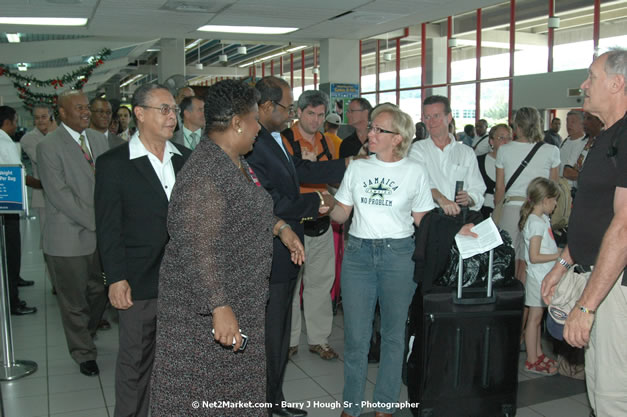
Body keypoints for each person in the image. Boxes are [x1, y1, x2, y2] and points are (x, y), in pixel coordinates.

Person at [150, 79, 305, 416]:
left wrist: (280, 229)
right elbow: (194, 246)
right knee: (203, 397)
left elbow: (247, 205)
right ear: (236, 123)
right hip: (204, 314)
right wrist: (219, 306)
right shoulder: (204, 174)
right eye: (253, 120)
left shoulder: (234, 161)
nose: (258, 129)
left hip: (240, 301)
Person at [245, 76, 348, 417]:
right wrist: (317, 203)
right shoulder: (252, 143)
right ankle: (268, 401)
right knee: (272, 331)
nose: (290, 115)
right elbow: (269, 200)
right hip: (271, 250)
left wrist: (345, 164)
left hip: (288, 247)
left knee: (276, 329)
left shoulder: (273, 138)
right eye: (287, 108)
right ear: (266, 107)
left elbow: (299, 171)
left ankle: (273, 398)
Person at [331, 104, 435, 417]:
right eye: (372, 128)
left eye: (379, 129)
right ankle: (351, 406)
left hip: (398, 256)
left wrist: (457, 231)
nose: (371, 133)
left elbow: (424, 222)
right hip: (358, 256)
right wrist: (323, 205)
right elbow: (341, 214)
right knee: (356, 338)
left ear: (398, 138)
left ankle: (385, 406)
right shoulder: (358, 168)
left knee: (393, 335)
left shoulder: (415, 171)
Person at [95, 83, 192, 417]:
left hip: (182, 283)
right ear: (139, 114)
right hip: (137, 282)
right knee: (135, 364)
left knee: (175, 366)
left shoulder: (186, 160)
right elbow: (108, 228)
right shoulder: (114, 164)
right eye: (163, 109)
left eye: (174, 110)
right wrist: (115, 278)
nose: (172, 116)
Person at [542, 49, 627, 417]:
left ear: (617, 82)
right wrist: (564, 261)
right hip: (597, 274)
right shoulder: (608, 137)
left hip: (615, 286)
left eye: (591, 76)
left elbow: (623, 227)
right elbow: (595, 215)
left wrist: (586, 306)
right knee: (600, 389)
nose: (583, 85)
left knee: (612, 396)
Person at [37, 90, 109, 376]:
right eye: (78, 108)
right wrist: (97, 220)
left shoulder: (97, 139)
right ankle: (83, 352)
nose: (85, 112)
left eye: (86, 107)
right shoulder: (48, 146)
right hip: (67, 238)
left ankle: (86, 334)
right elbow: (59, 194)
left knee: (100, 291)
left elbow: (108, 183)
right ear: (62, 113)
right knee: (73, 300)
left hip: (100, 236)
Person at [281, 90, 339, 361]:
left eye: (320, 115)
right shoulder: (283, 141)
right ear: (298, 112)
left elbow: (337, 180)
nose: (315, 121)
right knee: (291, 285)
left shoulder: (329, 143)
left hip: (322, 222)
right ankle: (289, 340)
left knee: (320, 283)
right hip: (293, 225)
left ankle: (319, 339)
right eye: (310, 114)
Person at [494, 106, 560, 262]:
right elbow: (553, 187)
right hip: (538, 209)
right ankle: (526, 286)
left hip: (511, 207)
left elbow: (500, 188)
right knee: (532, 258)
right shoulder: (552, 150)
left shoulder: (504, 150)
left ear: (516, 126)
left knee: (509, 258)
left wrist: (498, 209)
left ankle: (512, 286)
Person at [409, 95, 485, 217]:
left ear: (449, 117)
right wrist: (441, 199)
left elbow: (477, 187)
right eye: (427, 117)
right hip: (430, 218)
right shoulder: (417, 149)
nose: (431, 122)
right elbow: (420, 181)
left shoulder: (466, 152)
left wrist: (469, 198)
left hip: (461, 217)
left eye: (436, 116)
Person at [519, 177, 560, 376]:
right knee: (534, 320)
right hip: (537, 276)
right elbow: (534, 257)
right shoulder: (535, 223)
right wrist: (558, 255)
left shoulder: (542, 219)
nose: (556, 204)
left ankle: (538, 353)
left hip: (543, 276)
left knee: (538, 317)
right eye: (554, 200)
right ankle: (531, 359)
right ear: (544, 200)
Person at [0, 106, 37, 315]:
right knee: (10, 253)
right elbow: (17, 175)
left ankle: (15, 283)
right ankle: (13, 301)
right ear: (7, 122)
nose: (15, 126)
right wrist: (41, 184)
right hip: (6, 209)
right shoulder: (4, 142)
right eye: (14, 122)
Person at [477, 124, 512, 219]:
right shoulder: (478, 162)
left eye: (509, 138)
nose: (506, 141)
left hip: (508, 213)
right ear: (491, 141)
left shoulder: (516, 164)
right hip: (483, 215)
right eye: (501, 138)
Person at [559, 110, 587, 191]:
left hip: (572, 189)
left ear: (582, 124)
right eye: (567, 122)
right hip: (559, 186)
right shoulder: (565, 141)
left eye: (573, 122)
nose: (569, 125)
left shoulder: (585, 144)